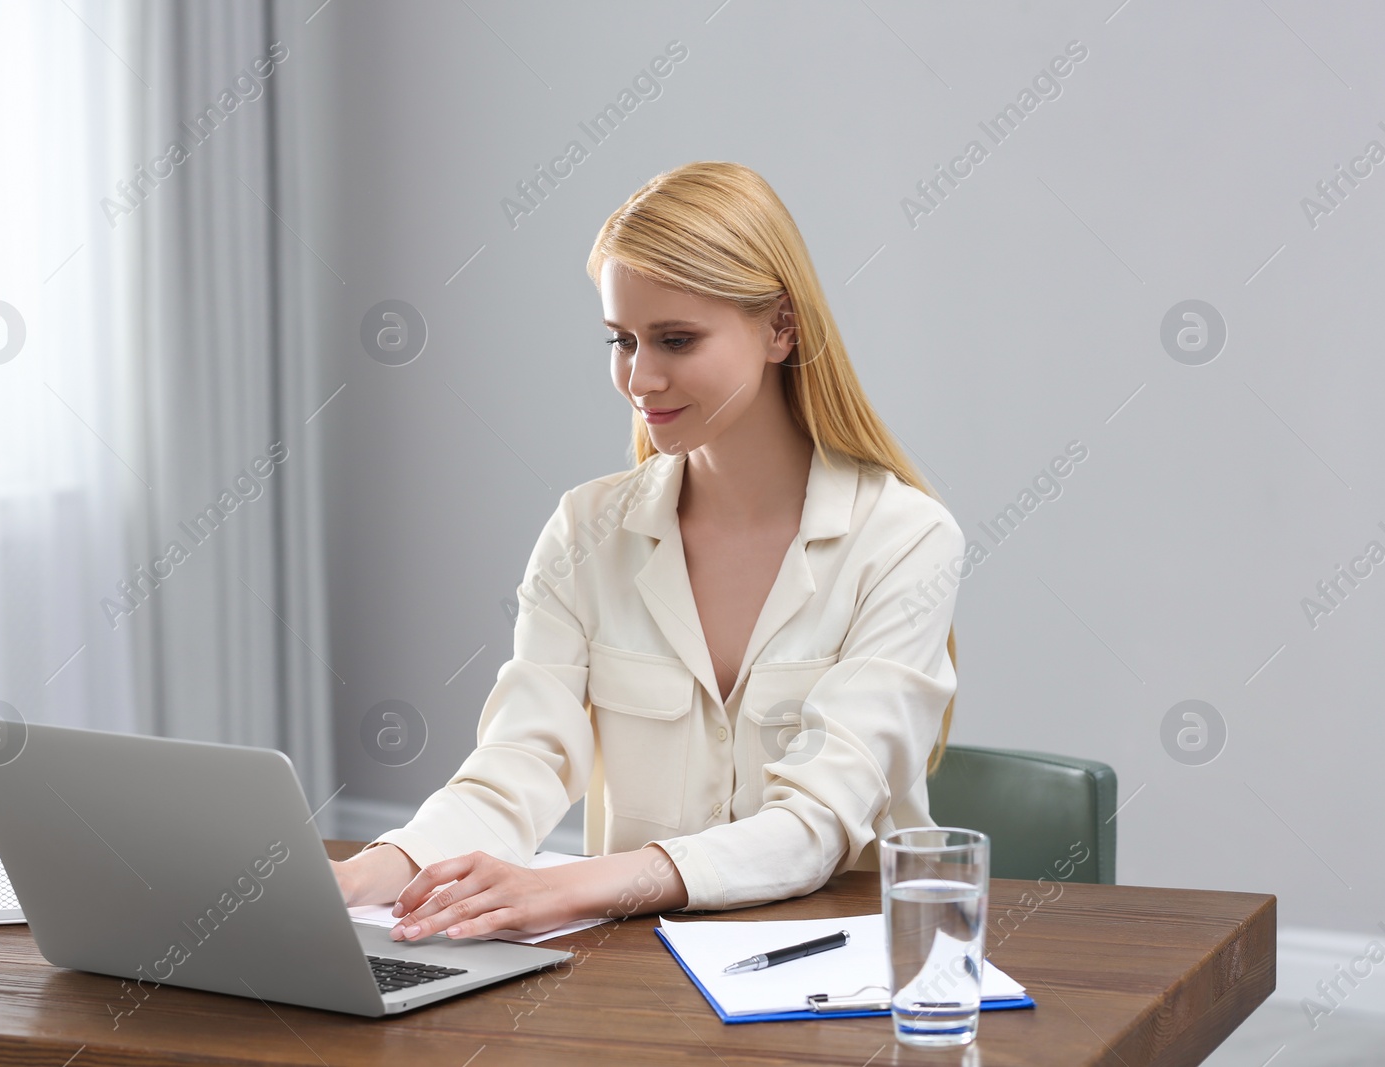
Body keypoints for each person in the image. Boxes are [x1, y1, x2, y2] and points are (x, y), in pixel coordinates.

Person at [331, 160, 967, 943]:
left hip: (843, 981)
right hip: (640, 977)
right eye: (622, 340)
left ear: (781, 327)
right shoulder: (584, 529)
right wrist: (360, 875)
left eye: (675, 339)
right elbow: (520, 765)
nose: (640, 376)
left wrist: (563, 886)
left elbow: (813, 824)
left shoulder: (906, 540)